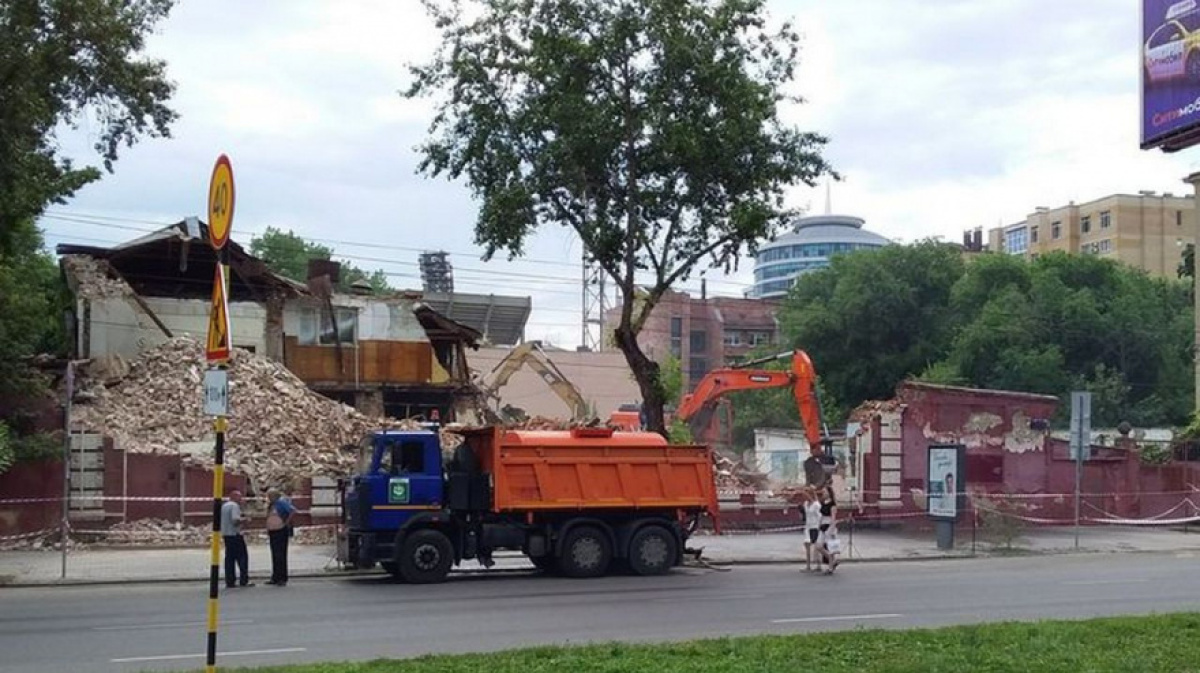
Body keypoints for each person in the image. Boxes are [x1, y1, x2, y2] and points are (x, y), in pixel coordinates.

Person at [221, 489, 253, 588]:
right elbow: (235, 520)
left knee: (229, 559)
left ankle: (230, 581)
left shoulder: (224, 506)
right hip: (235, 535)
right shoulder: (234, 506)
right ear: (234, 497)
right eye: (239, 497)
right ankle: (244, 580)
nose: (241, 499)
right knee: (242, 557)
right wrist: (245, 520)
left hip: (226, 534)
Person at [266, 488, 297, 586]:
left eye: (270, 496)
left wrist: (286, 523)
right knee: (275, 554)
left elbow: (292, 510)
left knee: (280, 555)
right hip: (273, 531)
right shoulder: (272, 504)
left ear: (275, 495)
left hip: (280, 530)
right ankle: (275, 577)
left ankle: (282, 578)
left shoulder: (281, 502)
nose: (268, 498)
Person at [816, 484, 840, 574]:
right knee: (819, 546)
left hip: (829, 525)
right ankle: (832, 559)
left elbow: (833, 518)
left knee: (830, 547)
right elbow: (821, 516)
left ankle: (830, 567)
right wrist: (819, 526)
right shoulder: (823, 503)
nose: (823, 493)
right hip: (822, 525)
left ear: (829, 493)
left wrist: (831, 530)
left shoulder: (832, 505)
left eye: (825, 491)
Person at [802, 487, 823, 572]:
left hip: (815, 527)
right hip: (808, 526)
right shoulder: (806, 504)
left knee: (816, 546)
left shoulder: (816, 505)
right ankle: (808, 566)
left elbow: (820, 516)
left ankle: (819, 564)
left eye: (806, 495)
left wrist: (819, 527)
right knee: (807, 545)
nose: (805, 497)